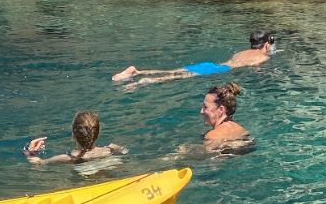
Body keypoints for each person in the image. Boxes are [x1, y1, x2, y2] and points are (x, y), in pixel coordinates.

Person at [112, 31, 276, 87]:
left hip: (212, 65)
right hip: (220, 70)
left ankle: (137, 71)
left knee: (175, 71)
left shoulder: (242, 52)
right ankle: (144, 81)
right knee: (178, 77)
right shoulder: (261, 58)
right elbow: (256, 71)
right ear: (267, 44)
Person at [24, 110, 127, 165]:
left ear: (73, 135)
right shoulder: (112, 148)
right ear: (98, 133)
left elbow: (38, 163)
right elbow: (125, 152)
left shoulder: (67, 158)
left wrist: (30, 151)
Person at [201, 83, 250, 147]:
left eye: (205, 107)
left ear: (221, 110)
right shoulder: (242, 130)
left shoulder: (212, 136)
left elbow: (205, 156)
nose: (201, 111)